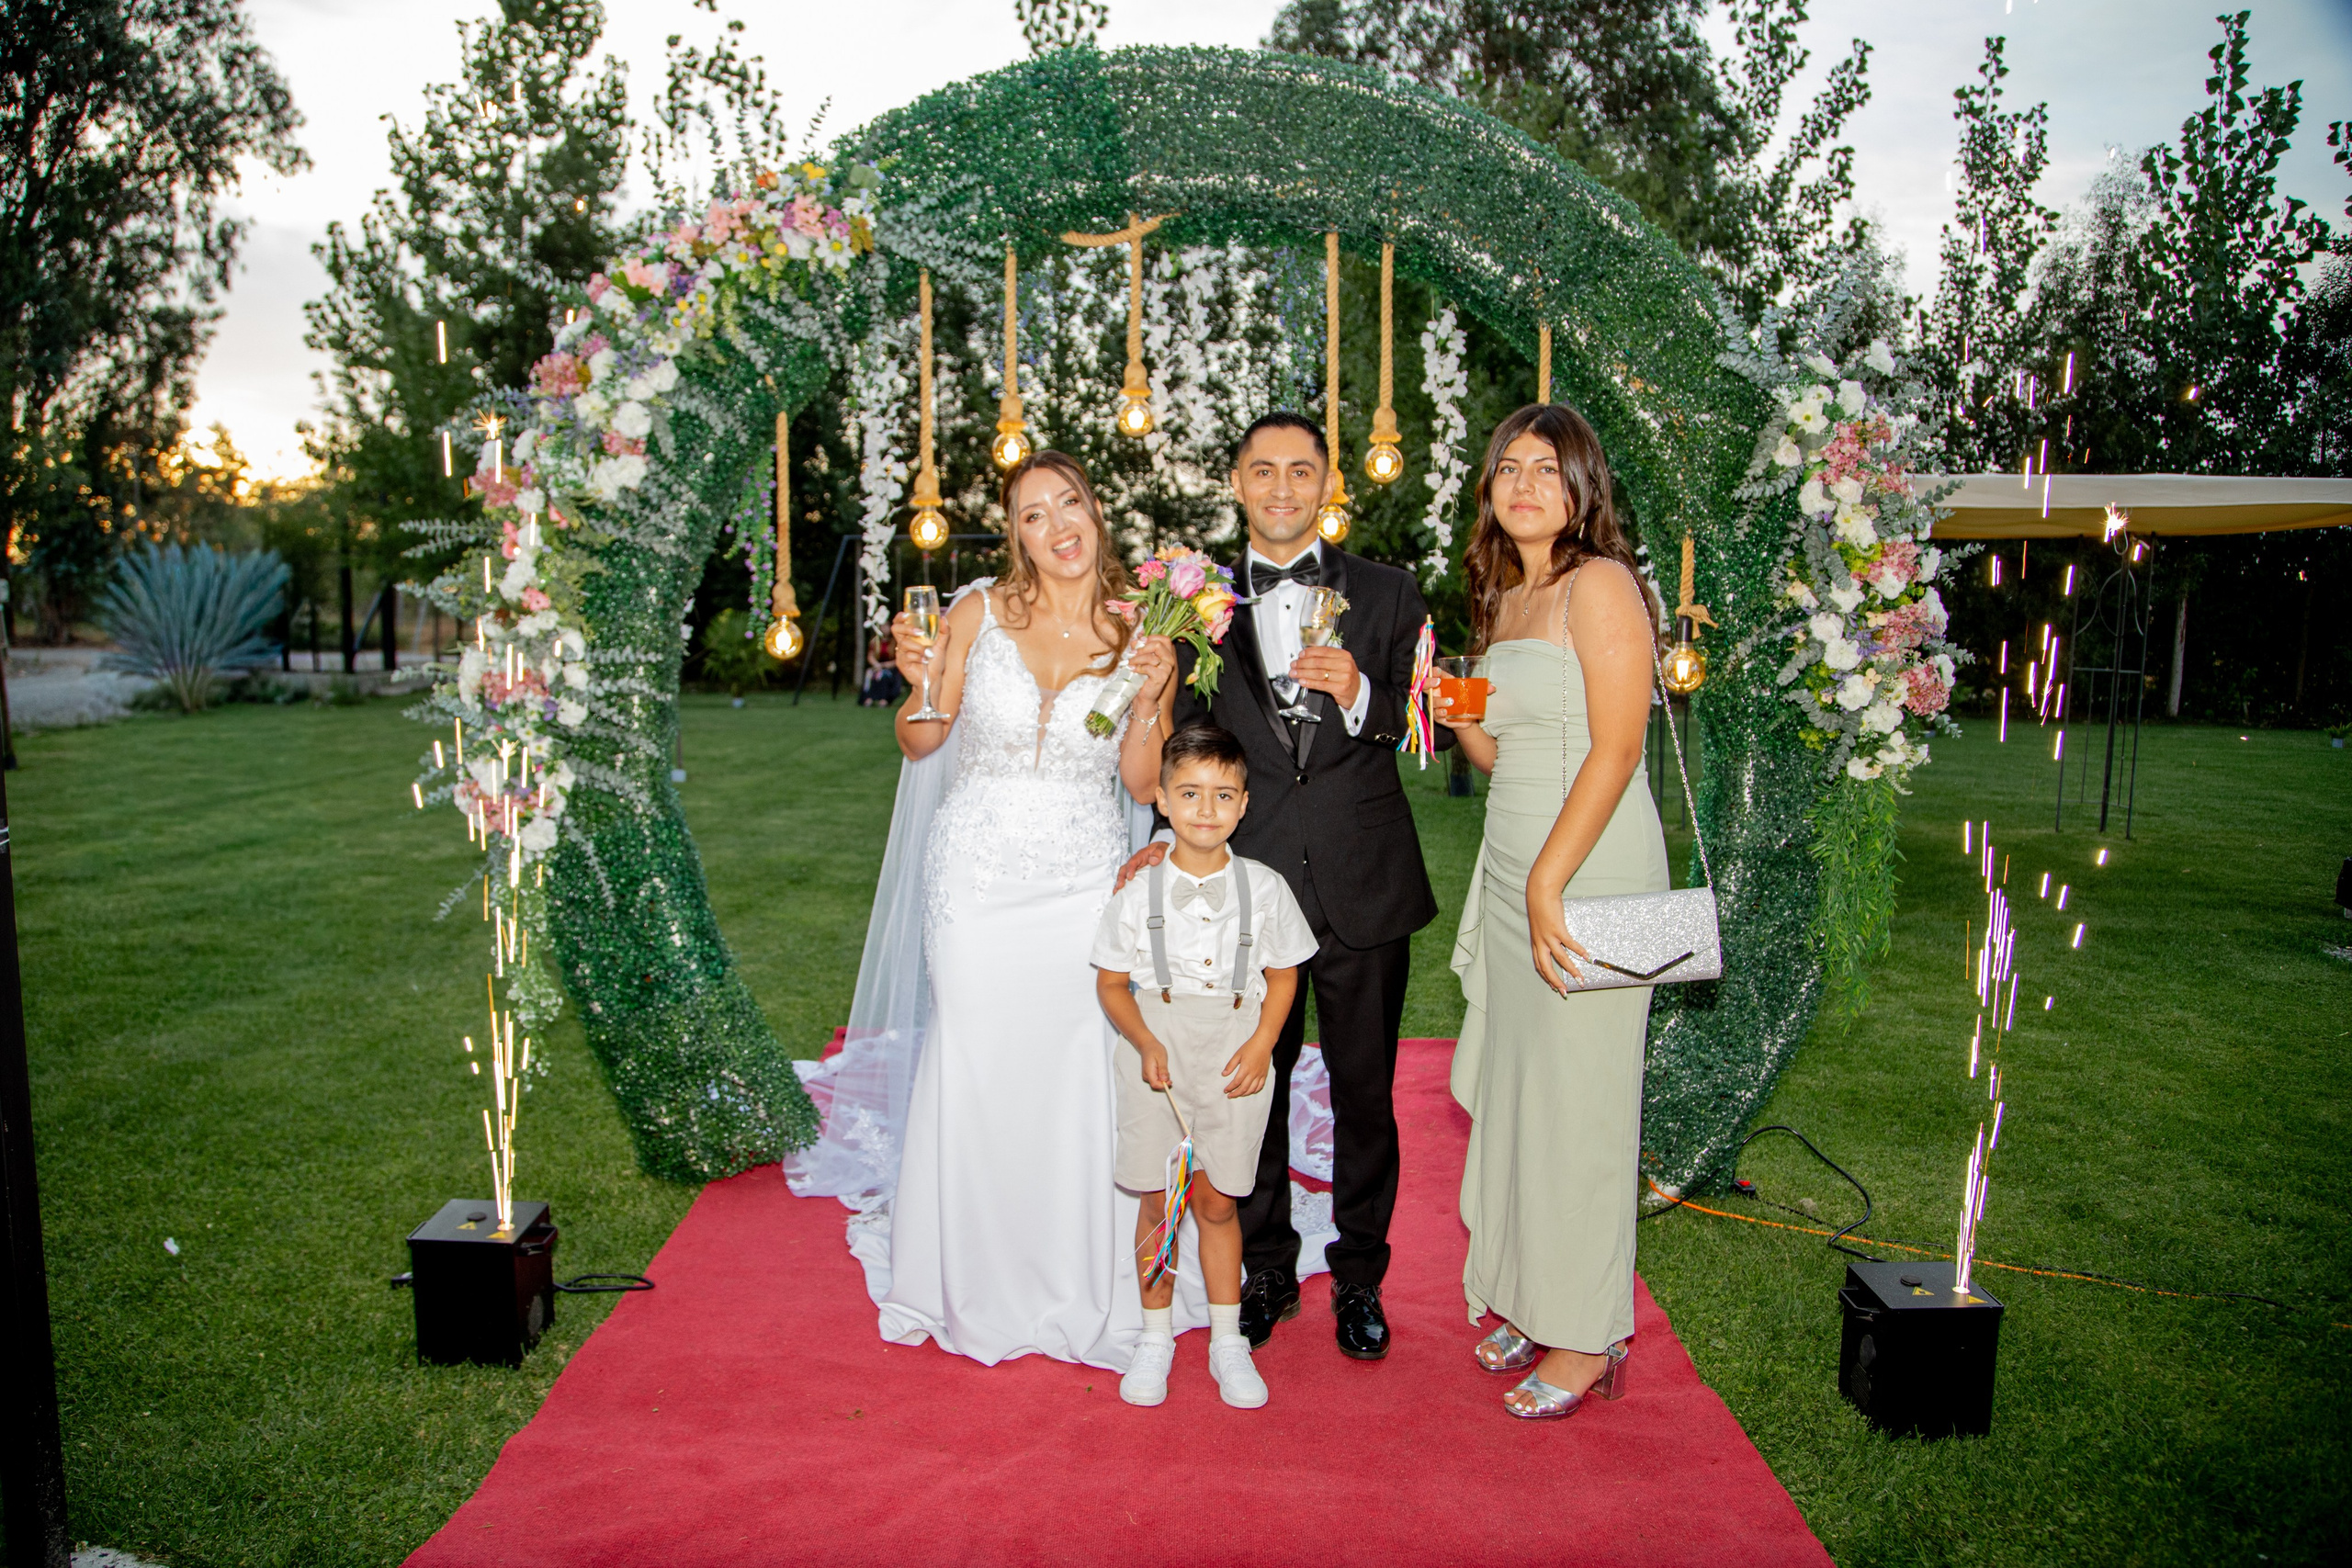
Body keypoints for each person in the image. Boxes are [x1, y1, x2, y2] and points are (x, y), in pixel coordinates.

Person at [819, 449, 1182, 1370]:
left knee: (1074, 1071)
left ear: (1095, 515)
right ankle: (966, 1272)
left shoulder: (1142, 629)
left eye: (1069, 505)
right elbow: (920, 739)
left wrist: (1151, 694)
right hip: (976, 880)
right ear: (1015, 535)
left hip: (1079, 879)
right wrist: (915, 683)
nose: (1057, 525)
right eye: (1031, 514)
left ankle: (1074, 1277)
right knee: (975, 1059)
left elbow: (1144, 781)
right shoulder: (977, 611)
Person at [1121, 412, 1447, 1362]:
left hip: (1364, 885)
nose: (1281, 488)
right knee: (1244, 1087)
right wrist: (1158, 835)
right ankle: (1264, 1264)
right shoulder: (1194, 602)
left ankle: (1359, 1278)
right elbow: (1178, 740)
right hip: (1243, 892)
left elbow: (1419, 721)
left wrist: (1357, 693)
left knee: (1365, 1095)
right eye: (1262, 471)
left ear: (1327, 484)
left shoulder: (1390, 594)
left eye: (1301, 472)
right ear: (1235, 482)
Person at [1431, 403, 1668, 1421]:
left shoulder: (1602, 585)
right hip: (1514, 855)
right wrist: (1459, 717)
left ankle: (1585, 1336)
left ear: (1582, 488)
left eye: (1547, 468)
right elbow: (1505, 754)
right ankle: (1534, 1297)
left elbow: (1616, 749)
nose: (1524, 484)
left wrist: (1545, 884)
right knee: (1527, 1100)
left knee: (1582, 1110)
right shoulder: (1505, 596)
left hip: (1592, 869)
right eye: (1508, 468)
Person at [1092, 722, 1317, 1409]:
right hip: (1156, 1051)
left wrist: (1263, 1044)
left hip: (1234, 1053)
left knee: (1219, 1199)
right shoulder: (1138, 890)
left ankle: (1228, 1340)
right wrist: (1144, 1041)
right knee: (1160, 1201)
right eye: (1189, 793)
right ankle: (1154, 1337)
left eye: (1223, 795)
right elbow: (1109, 983)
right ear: (1161, 799)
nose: (1206, 809)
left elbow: (1283, 974)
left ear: (1245, 804)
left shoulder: (1266, 888)